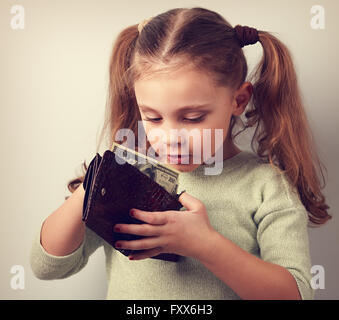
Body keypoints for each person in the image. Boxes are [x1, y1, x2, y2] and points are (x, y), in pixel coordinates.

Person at [30, 7, 331, 300]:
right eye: (154, 118)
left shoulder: (266, 187)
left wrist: (206, 246)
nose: (171, 139)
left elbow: (295, 295)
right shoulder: (129, 174)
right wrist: (93, 186)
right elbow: (48, 266)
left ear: (238, 100)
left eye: (192, 118)